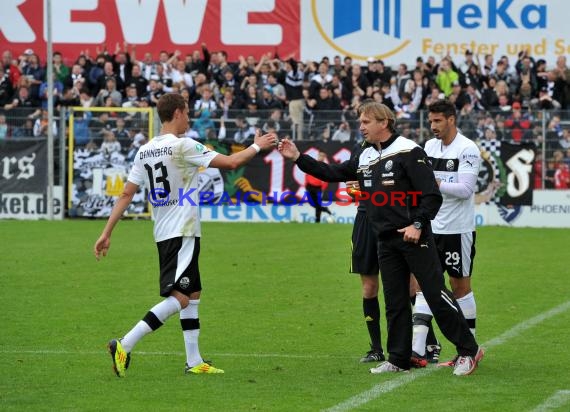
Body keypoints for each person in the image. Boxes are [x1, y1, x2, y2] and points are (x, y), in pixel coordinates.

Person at [278, 101, 483, 376]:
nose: (360, 127)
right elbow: (332, 173)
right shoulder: (365, 156)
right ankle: (398, 358)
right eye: (360, 122)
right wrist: (297, 157)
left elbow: (431, 195)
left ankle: (469, 350)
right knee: (395, 300)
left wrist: (418, 224)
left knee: (434, 293)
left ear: (383, 123)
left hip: (414, 237)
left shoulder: (409, 151)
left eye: (365, 122)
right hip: (384, 239)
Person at [94, 93, 277, 377]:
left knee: (193, 293)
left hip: (165, 231)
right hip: (183, 232)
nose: (189, 118)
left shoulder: (144, 151)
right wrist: (258, 145)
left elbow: (126, 193)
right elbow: (230, 163)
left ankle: (194, 361)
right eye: (188, 112)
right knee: (179, 298)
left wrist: (106, 233)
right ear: (178, 112)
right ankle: (125, 344)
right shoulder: (183, 146)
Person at [410, 99, 482, 368]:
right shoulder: (429, 146)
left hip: (457, 229)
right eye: (431, 121)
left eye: (438, 121)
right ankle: (416, 350)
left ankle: (470, 349)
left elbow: (465, 190)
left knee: (459, 288)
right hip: (431, 226)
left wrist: (435, 182)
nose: (433, 126)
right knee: (423, 284)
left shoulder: (468, 149)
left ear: (451, 119)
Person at [305, 151, 333, 223]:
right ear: (318, 155)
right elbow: (307, 174)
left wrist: (323, 188)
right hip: (310, 186)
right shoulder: (313, 163)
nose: (321, 157)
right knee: (312, 203)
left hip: (318, 188)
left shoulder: (325, 166)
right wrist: (306, 184)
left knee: (318, 204)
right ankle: (325, 209)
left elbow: (326, 179)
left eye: (323, 156)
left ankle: (317, 220)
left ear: (325, 157)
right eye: (320, 155)